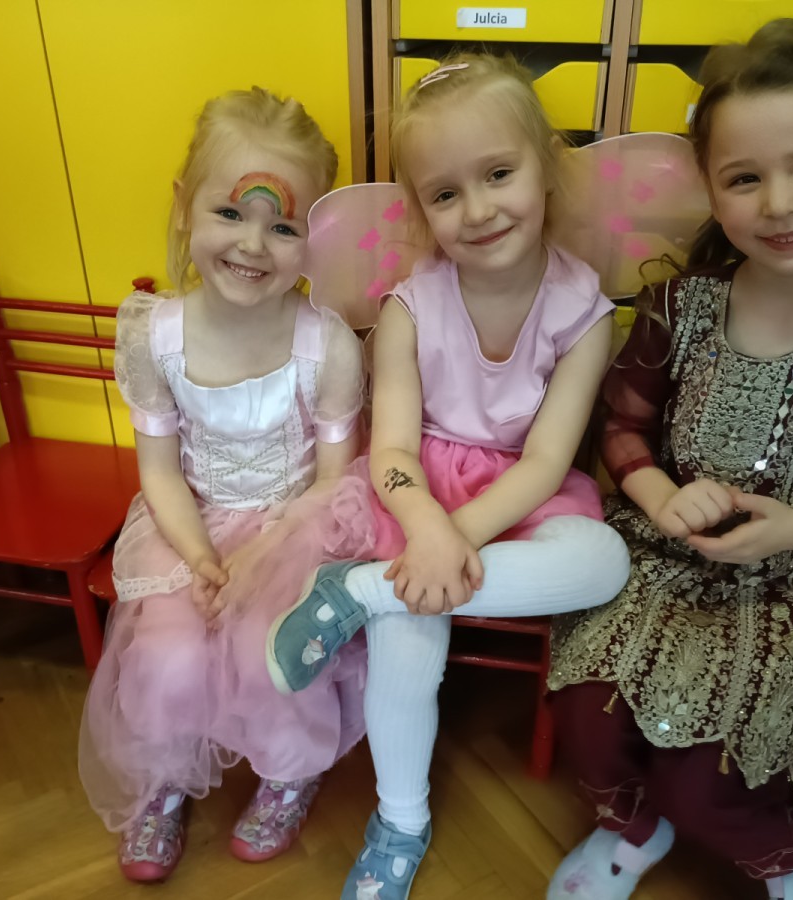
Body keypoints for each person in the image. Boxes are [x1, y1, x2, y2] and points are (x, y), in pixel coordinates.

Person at [546, 19, 793, 900]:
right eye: (745, 178)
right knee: (589, 724)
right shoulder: (676, 306)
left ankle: (786, 849)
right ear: (713, 191)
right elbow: (621, 427)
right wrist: (656, 493)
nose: (779, 204)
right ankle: (630, 830)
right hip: (660, 560)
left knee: (705, 784)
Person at [265, 54, 632, 900]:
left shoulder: (585, 312)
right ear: (420, 208)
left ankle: (359, 592)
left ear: (546, 166)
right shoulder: (409, 307)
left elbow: (546, 463)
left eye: (499, 174)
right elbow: (391, 452)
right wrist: (428, 529)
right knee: (411, 636)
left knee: (604, 562)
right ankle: (401, 820)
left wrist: (449, 545)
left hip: (523, 496)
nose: (478, 209)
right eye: (445, 193)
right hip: (418, 491)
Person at [77, 87, 374, 883]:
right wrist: (204, 560)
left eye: (283, 226)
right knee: (169, 655)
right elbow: (159, 471)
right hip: (188, 527)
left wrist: (260, 560)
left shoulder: (327, 348)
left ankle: (289, 773)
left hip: (293, 530)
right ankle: (164, 779)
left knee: (265, 652)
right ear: (185, 207)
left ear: (315, 238)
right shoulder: (154, 336)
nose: (254, 244)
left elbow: (332, 486)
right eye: (231, 212)